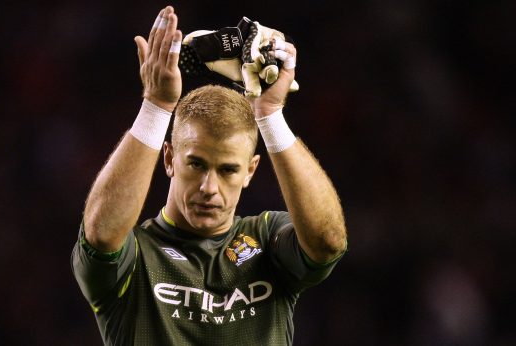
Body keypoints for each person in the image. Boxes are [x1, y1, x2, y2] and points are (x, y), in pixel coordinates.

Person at [72, 6, 347, 345]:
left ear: (250, 171)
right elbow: (100, 234)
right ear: (170, 159)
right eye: (197, 164)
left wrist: (271, 115)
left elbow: (327, 241)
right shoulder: (135, 256)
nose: (209, 188)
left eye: (228, 170)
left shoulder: (267, 240)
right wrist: (156, 106)